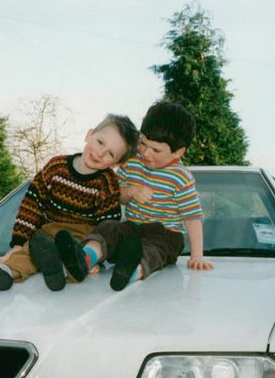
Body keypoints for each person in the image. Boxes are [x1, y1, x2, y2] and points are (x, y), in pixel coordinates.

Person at [0, 114, 139, 291]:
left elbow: (107, 226)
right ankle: (5, 273)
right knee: (30, 251)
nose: (100, 153)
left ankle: (63, 270)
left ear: (116, 163)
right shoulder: (55, 167)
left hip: (81, 237)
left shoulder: (108, 184)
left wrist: (94, 258)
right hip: (47, 235)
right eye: (100, 142)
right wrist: (19, 243)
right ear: (89, 134)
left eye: (110, 154)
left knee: (71, 252)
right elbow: (32, 205)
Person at [53, 100, 214, 291]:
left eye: (156, 150)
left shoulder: (181, 178)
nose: (146, 153)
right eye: (143, 144)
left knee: (156, 249)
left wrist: (197, 256)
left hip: (165, 234)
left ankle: (131, 271)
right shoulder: (132, 163)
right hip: (132, 230)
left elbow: (192, 217)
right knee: (109, 228)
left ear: (178, 152)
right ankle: (85, 258)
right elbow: (115, 195)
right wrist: (131, 191)